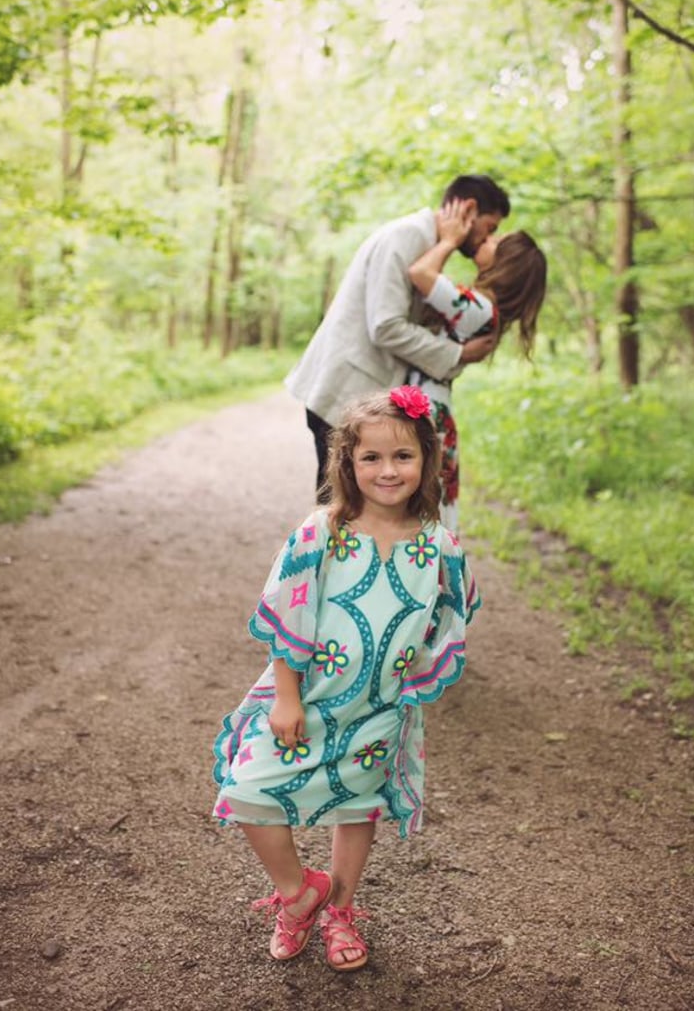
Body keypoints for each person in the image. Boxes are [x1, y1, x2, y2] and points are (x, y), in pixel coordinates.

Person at [212, 387, 480, 971]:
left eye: (403, 457)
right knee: (248, 791)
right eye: (372, 458)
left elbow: (453, 613)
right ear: (348, 464)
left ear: (427, 462)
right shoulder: (323, 533)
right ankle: (299, 894)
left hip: (379, 707)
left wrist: (414, 670)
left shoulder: (438, 547)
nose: (388, 470)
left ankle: (340, 910)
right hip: (307, 698)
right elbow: (288, 611)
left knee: (356, 807)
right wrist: (286, 695)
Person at [285, 174, 511, 497]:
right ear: (469, 210)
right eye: (489, 227)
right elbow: (386, 326)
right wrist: (457, 355)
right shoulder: (406, 236)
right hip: (343, 395)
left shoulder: (426, 246)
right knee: (338, 514)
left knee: (355, 517)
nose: (487, 238)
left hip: (359, 400)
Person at [406, 201, 547, 529]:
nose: (485, 241)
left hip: (426, 410)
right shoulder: (482, 307)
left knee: (420, 518)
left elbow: (419, 274)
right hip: (430, 405)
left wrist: (449, 241)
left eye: (496, 242)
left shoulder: (480, 308)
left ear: (506, 264)